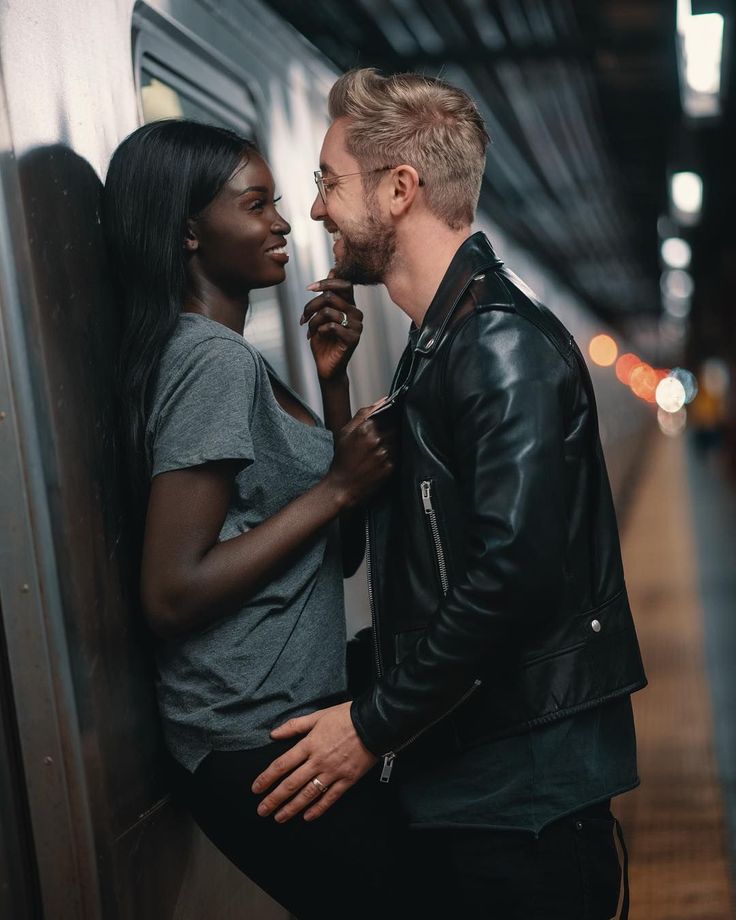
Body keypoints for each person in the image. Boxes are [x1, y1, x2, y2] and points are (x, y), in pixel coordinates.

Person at [252, 68, 648, 919]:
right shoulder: (442, 344)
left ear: (400, 190)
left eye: (327, 182)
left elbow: (512, 578)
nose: (317, 209)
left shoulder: (496, 346)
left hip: (523, 796)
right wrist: (334, 393)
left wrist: (369, 724)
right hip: (478, 772)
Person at [103, 118, 412, 920]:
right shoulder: (211, 361)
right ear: (187, 233)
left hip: (280, 724)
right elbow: (170, 593)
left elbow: (332, 557)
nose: (282, 220)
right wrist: (336, 489)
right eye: (254, 205)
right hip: (254, 740)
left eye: (277, 201)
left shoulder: (229, 356)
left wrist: (334, 389)